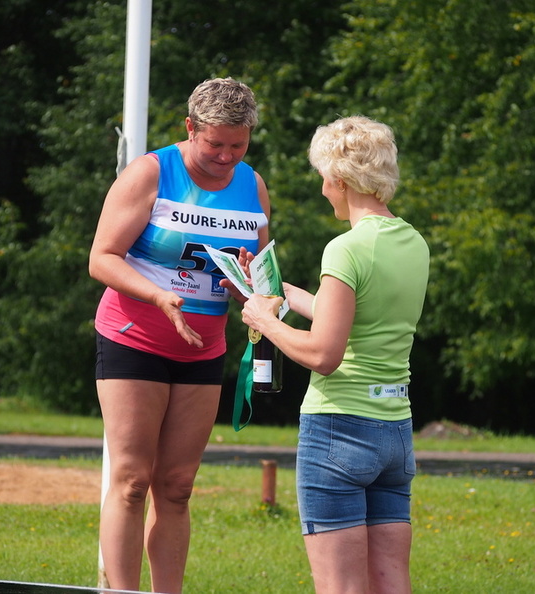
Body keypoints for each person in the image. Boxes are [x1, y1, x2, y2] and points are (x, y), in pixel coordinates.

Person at [89, 77, 270, 593]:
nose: (226, 156)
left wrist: (254, 289)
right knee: (130, 480)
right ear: (190, 129)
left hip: (204, 347)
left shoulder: (251, 185)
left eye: (239, 145)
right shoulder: (150, 172)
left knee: (177, 486)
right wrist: (157, 295)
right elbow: (101, 257)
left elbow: (252, 273)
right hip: (134, 336)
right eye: (215, 144)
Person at [242, 115, 429, 594]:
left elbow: (325, 353)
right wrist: (274, 289)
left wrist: (264, 321)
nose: (323, 188)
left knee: (341, 587)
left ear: (340, 180)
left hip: (339, 429)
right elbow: (348, 313)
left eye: (324, 177)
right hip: (395, 429)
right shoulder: (413, 243)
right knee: (391, 582)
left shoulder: (345, 249)